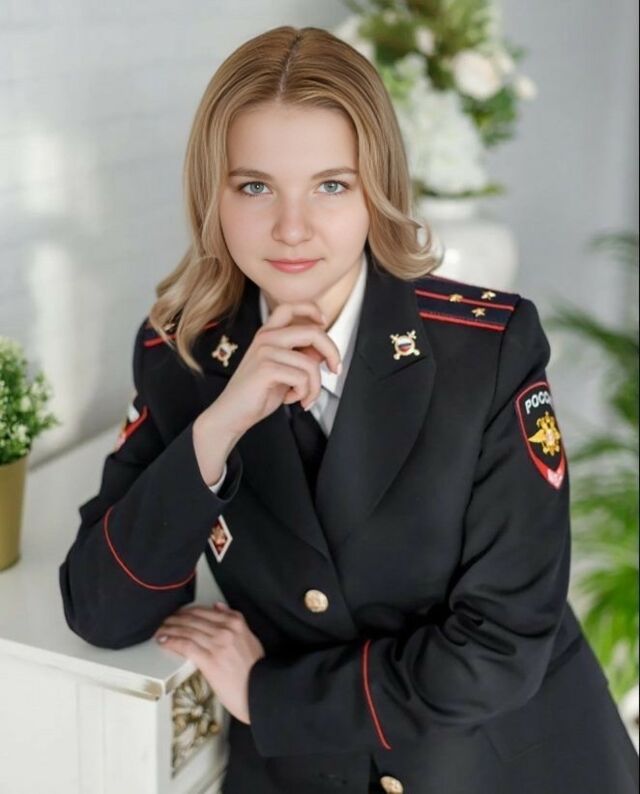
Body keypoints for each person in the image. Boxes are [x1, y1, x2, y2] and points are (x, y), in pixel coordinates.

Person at [58, 25, 639, 794]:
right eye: (254, 186)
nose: (292, 228)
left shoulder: (487, 352)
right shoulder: (182, 354)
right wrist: (220, 425)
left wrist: (270, 698)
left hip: (497, 768)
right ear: (212, 194)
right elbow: (103, 611)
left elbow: (501, 648)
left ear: (378, 189)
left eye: (331, 185)